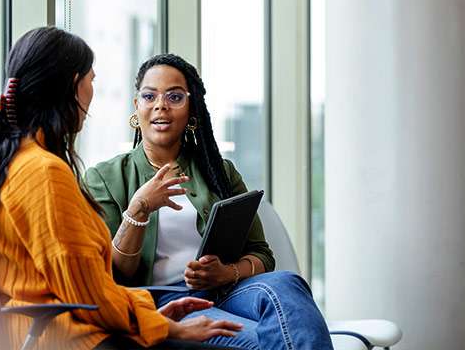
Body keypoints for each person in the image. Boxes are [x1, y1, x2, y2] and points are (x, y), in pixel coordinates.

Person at [0, 28, 243, 350]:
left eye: (175, 97)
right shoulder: (43, 174)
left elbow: (86, 287)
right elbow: (86, 293)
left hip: (64, 327)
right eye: (92, 80)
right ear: (74, 86)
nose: (93, 92)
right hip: (71, 337)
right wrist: (163, 326)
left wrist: (149, 314)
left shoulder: (18, 162)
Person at [84, 53, 334, 350]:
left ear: (192, 111)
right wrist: (139, 208)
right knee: (263, 341)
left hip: (231, 290)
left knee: (288, 285)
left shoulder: (219, 171)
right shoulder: (104, 177)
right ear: (136, 107)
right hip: (166, 299)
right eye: (149, 96)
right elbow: (114, 273)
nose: (161, 105)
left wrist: (226, 273)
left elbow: (262, 255)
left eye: (175, 96)